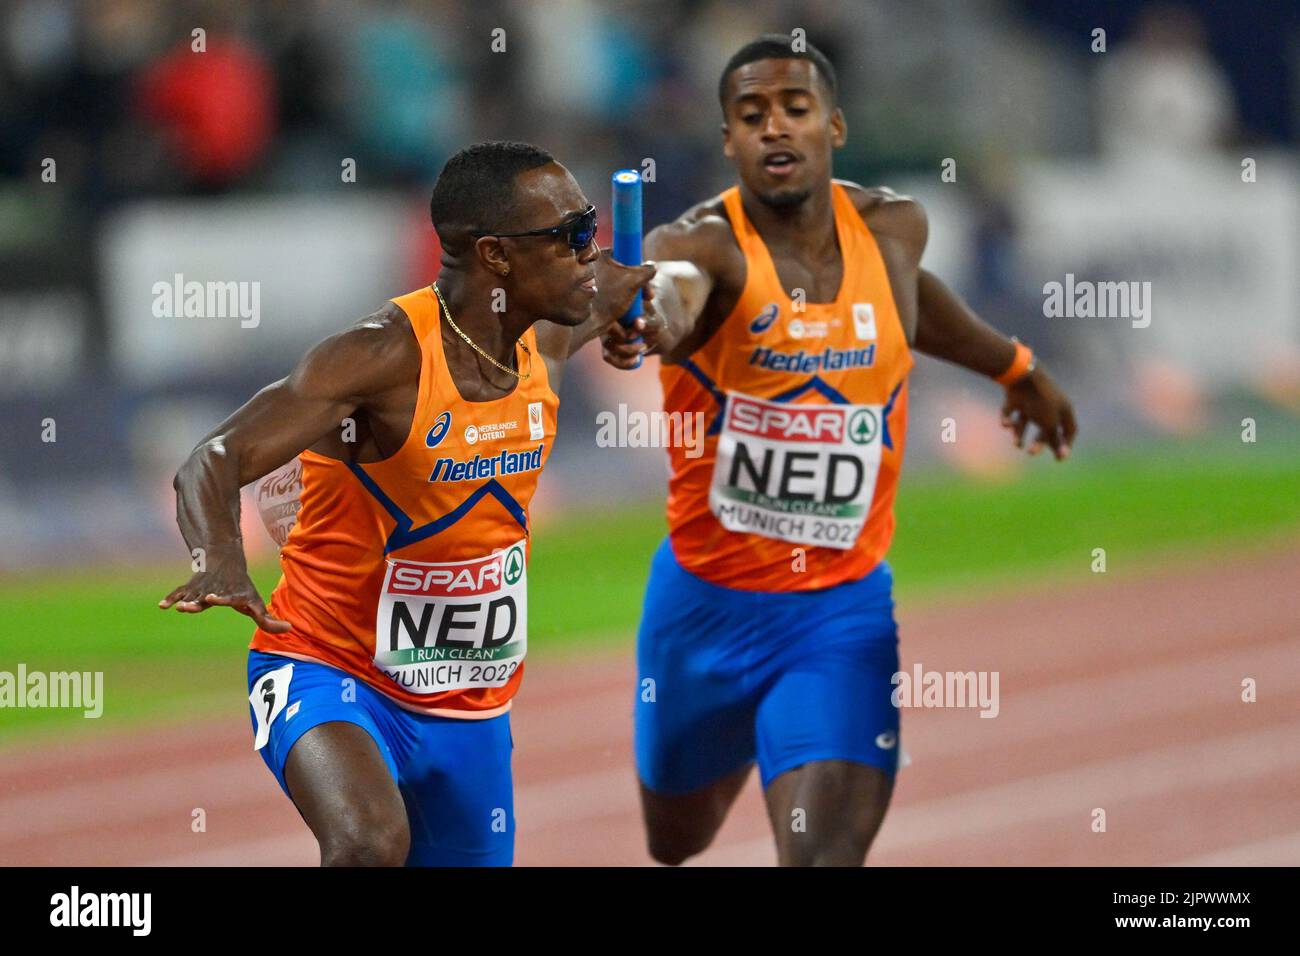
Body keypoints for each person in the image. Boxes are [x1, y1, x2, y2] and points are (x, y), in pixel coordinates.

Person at [602, 36, 1077, 866]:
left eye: (794, 109)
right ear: (727, 141)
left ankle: (798, 717)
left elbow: (910, 305)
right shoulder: (701, 247)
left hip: (838, 615)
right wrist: (646, 322)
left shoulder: (894, 229)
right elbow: (671, 303)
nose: (774, 128)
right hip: (701, 612)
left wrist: (1014, 365)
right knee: (674, 843)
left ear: (836, 124)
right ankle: (755, 727)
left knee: (824, 856)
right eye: (751, 116)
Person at [160, 141, 654, 866]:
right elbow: (214, 458)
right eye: (573, 234)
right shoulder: (377, 359)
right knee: (367, 845)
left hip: (469, 703)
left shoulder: (553, 323)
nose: (592, 251)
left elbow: (639, 282)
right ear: (495, 256)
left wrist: (645, 319)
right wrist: (221, 558)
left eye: (594, 227)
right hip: (328, 667)